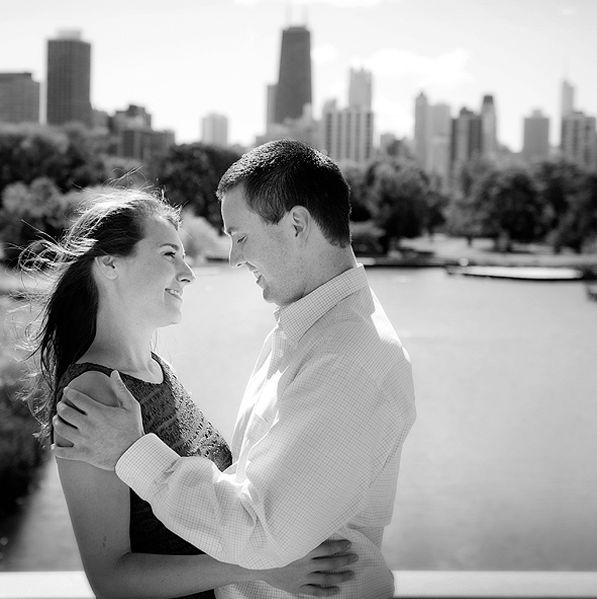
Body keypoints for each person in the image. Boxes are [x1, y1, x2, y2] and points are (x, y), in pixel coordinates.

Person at [54, 141, 417, 599]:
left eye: (240, 236)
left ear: (298, 225)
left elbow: (265, 539)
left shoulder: (343, 359)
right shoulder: (301, 332)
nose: (231, 258)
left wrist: (133, 452)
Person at [24, 188, 357, 599]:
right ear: (109, 263)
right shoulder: (95, 392)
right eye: (168, 254)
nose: (188, 272)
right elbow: (111, 579)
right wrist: (260, 564)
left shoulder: (157, 370)